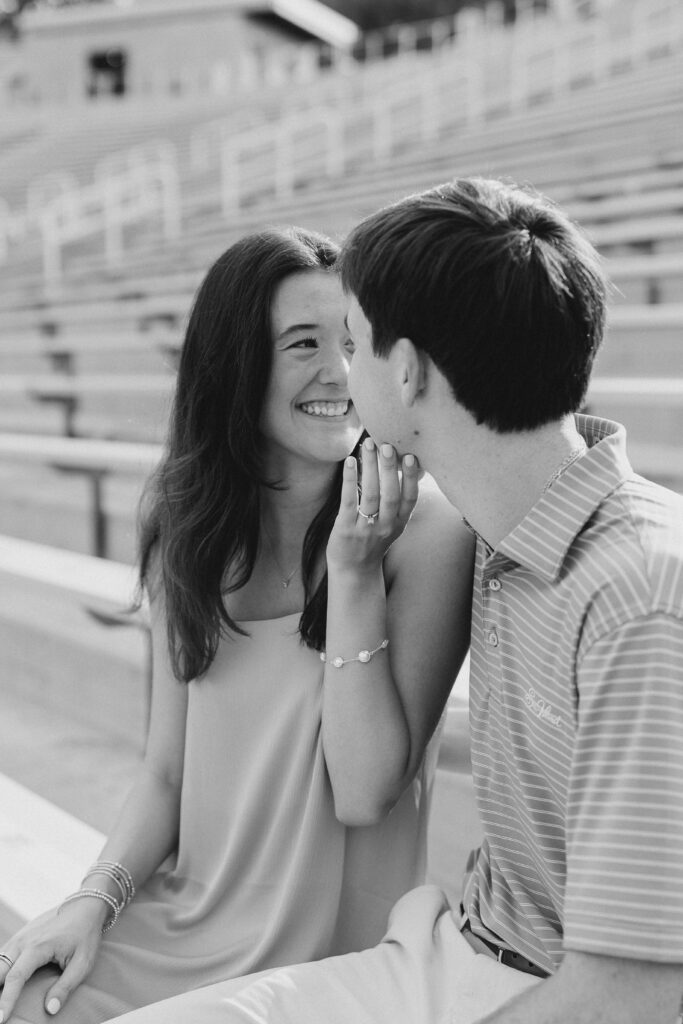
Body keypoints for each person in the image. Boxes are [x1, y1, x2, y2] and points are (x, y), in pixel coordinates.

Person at [100, 178, 683, 1024]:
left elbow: (634, 992)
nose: (342, 369)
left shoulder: (636, 594)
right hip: (457, 946)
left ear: (403, 371)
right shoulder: (508, 539)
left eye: (356, 340)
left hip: (522, 979)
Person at [0, 226, 474, 1024]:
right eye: (302, 344)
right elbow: (166, 775)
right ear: (237, 366)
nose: (339, 373)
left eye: (351, 343)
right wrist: (92, 900)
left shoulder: (428, 537)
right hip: (185, 920)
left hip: (330, 959)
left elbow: (364, 792)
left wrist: (354, 568)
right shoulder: (190, 527)